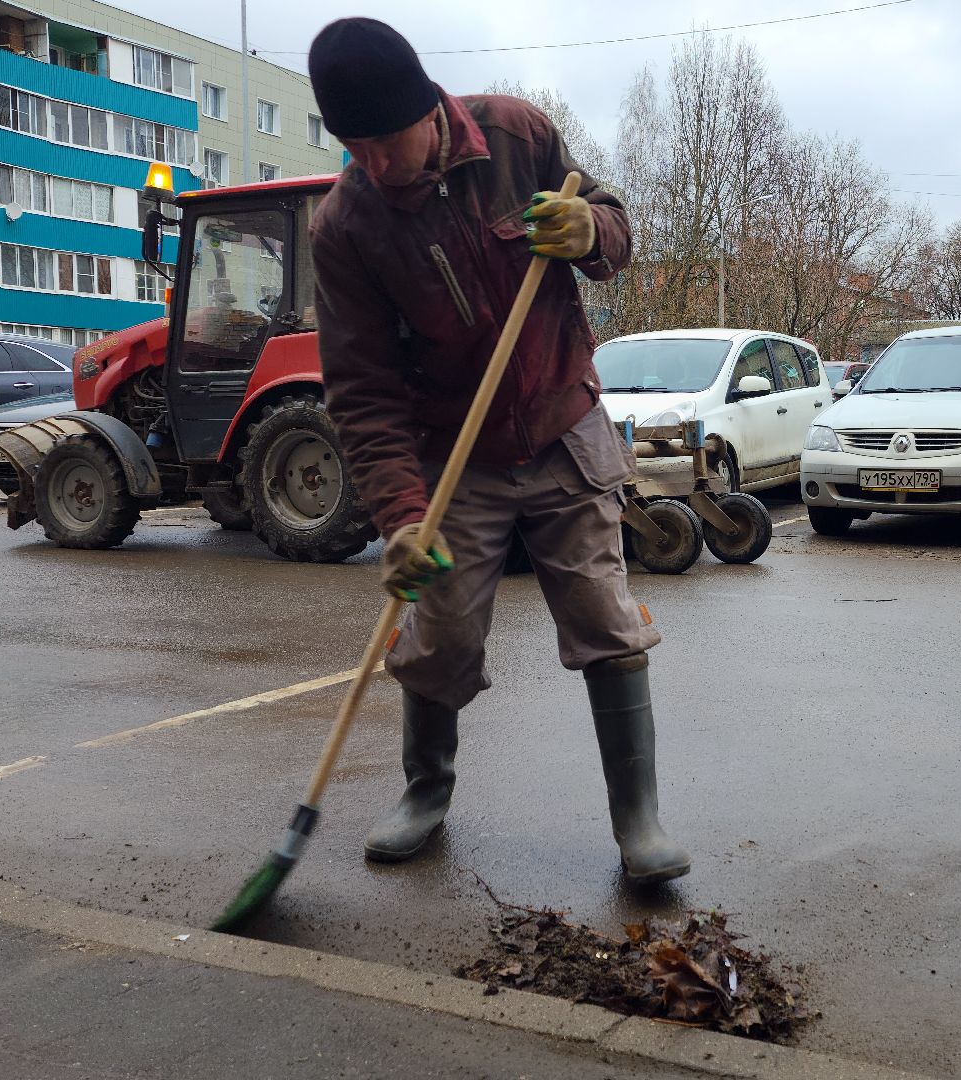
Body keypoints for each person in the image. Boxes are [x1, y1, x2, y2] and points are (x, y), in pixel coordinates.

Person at [305, 18, 689, 885]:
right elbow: (361, 390)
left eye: (383, 140)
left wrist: (589, 231)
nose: (371, 163)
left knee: (603, 619)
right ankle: (424, 793)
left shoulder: (517, 135)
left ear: (428, 111)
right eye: (351, 147)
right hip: (456, 454)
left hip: (562, 425)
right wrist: (403, 517)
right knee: (437, 636)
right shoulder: (347, 226)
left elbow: (615, 230)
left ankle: (639, 821)